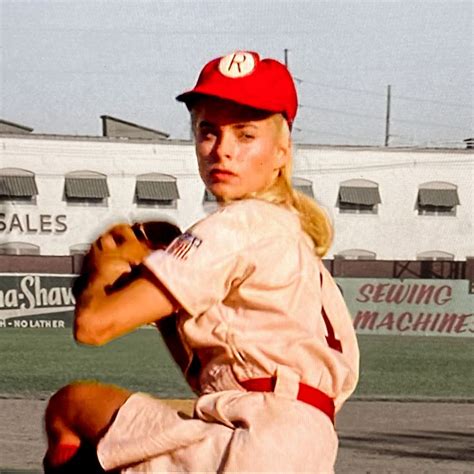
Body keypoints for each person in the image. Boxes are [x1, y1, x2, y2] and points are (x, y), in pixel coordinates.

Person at [43, 50, 359, 473]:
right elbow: (208, 378)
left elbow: (93, 326)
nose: (222, 150)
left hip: (255, 435)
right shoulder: (293, 240)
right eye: (208, 131)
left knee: (70, 407)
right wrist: (166, 302)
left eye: (246, 135)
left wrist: (104, 267)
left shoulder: (236, 226)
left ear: (283, 150)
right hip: (302, 441)